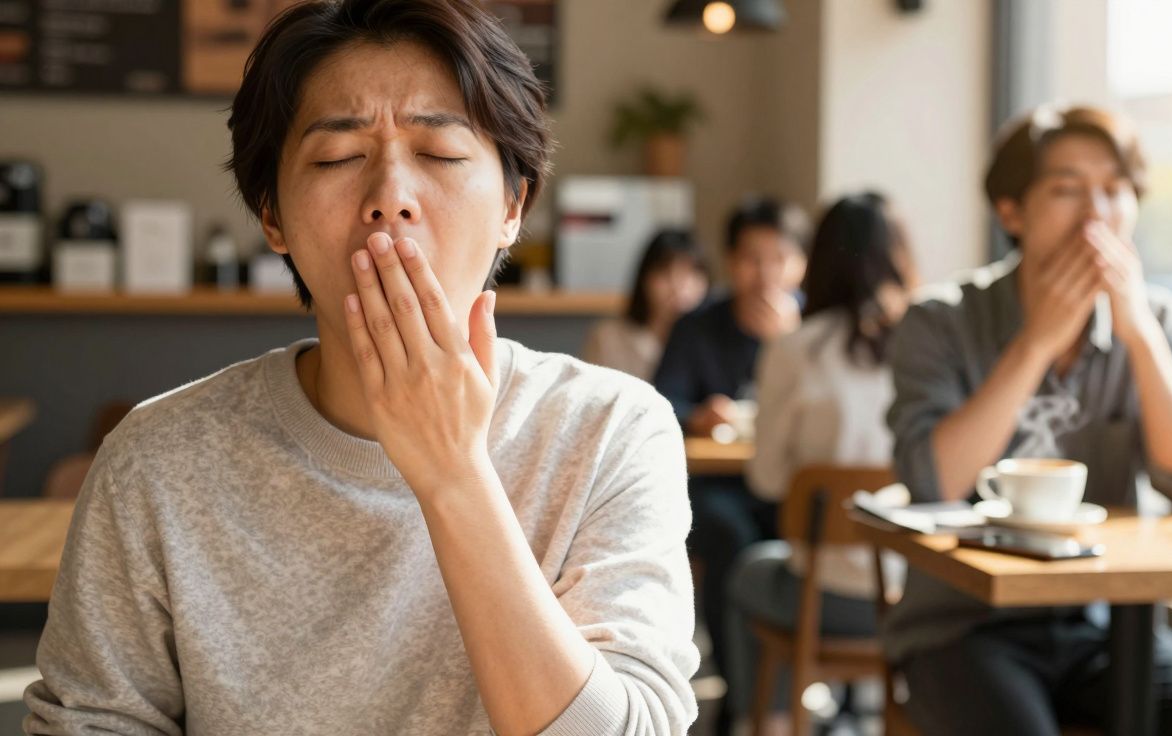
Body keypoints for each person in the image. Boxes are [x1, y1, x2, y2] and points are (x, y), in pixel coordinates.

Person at [23, 2, 698, 734]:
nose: (390, 201)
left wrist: (452, 473)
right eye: (338, 158)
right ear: (271, 216)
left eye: (440, 154)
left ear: (513, 204)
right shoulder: (156, 460)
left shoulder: (611, 432)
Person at [885, 104, 1172, 736]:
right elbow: (936, 483)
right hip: (961, 630)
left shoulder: (1162, 320)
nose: (1098, 211)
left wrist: (1139, 335)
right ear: (1011, 211)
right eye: (1068, 189)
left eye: (1115, 188)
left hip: (1104, 625)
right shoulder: (940, 319)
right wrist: (1036, 344)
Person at [725, 192, 917, 733]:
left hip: (826, 599)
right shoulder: (925, 347)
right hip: (915, 595)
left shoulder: (797, 349)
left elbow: (765, 480)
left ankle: (769, 721)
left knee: (750, 571)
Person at [652, 195, 809, 735]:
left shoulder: (815, 328)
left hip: (792, 483)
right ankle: (747, 698)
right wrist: (697, 415)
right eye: (751, 257)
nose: (765, 272)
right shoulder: (699, 325)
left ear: (801, 263)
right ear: (730, 260)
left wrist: (789, 346)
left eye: (779, 257)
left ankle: (789, 692)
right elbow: (660, 403)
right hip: (722, 483)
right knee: (723, 530)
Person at [583, 228, 709, 381]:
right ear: (645, 279)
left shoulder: (713, 341)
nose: (677, 286)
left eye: (689, 273)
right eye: (665, 273)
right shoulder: (607, 339)